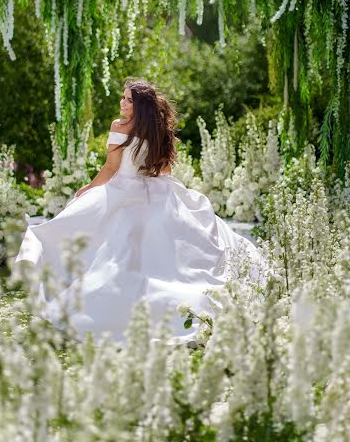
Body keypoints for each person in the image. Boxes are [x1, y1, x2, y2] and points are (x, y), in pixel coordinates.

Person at [15, 78, 265, 344]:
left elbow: (113, 169)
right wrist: (89, 188)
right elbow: (161, 171)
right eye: (123, 98)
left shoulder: (127, 127)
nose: (122, 103)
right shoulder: (149, 127)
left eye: (129, 100)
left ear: (140, 106)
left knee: (137, 243)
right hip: (147, 188)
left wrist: (93, 186)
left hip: (131, 189)